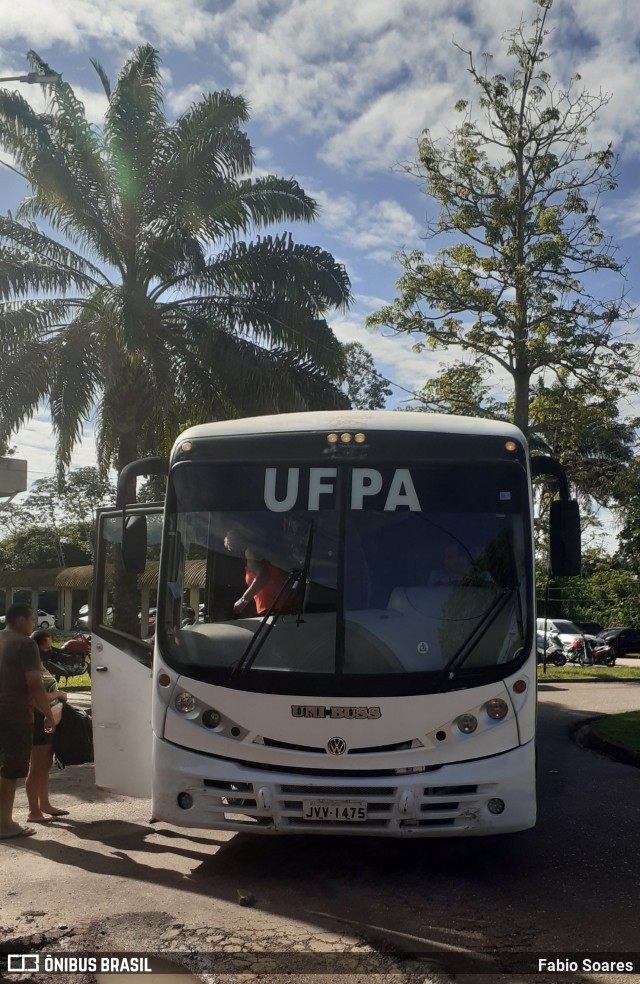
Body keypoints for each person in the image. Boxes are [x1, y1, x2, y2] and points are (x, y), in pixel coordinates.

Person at [0, 604, 56, 839]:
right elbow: (34, 684)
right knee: (10, 771)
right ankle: (5, 825)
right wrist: (49, 714)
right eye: (32, 620)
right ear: (21, 620)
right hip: (15, 715)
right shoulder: (26, 643)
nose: (33, 625)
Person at [25, 631, 70, 824]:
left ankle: (44, 804)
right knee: (36, 767)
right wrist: (59, 694)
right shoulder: (31, 667)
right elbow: (35, 696)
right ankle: (33, 812)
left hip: (47, 719)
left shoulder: (39, 665)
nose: (50, 650)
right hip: (38, 720)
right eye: (47, 647)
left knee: (44, 765)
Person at [224, 528, 291, 616]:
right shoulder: (258, 551)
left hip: (273, 607)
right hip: (277, 606)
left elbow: (263, 576)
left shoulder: (250, 552)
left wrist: (243, 600)